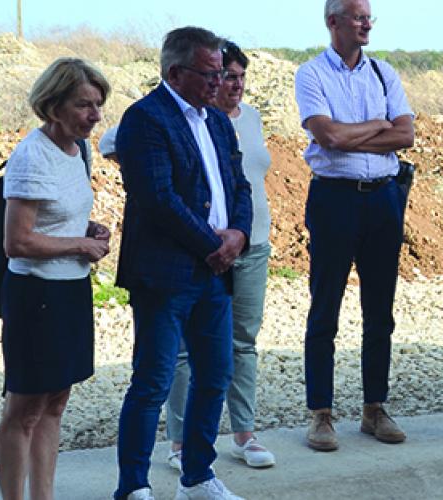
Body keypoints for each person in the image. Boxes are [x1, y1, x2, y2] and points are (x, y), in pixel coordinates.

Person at [113, 26, 252, 500]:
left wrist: (240, 234)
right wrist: (210, 245)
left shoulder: (217, 121)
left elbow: (240, 187)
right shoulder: (145, 119)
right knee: (152, 381)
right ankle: (134, 486)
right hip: (167, 273)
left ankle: (197, 476)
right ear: (175, 71)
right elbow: (157, 198)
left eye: (221, 72)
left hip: (215, 274)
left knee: (215, 376)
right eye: (209, 72)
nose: (219, 81)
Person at [294, 0, 414, 451]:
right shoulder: (311, 74)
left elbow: (405, 135)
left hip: (383, 198)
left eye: (369, 17)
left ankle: (374, 408)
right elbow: (328, 137)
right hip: (334, 198)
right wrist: (376, 125)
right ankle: (320, 414)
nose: (366, 24)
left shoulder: (383, 73)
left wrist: (356, 131)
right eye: (358, 17)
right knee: (325, 308)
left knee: (379, 310)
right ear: (333, 22)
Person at [0, 57, 111, 500]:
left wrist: (87, 228)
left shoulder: (77, 150)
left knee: (55, 404)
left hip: (71, 291)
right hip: (36, 294)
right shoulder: (32, 154)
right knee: (24, 408)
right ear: (53, 105)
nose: (95, 115)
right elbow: (17, 242)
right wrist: (80, 246)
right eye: (84, 104)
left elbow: (59, 217)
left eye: (98, 104)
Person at [165, 41, 276, 471]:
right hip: (203, 248)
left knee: (243, 341)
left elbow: (250, 180)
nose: (236, 85)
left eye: (241, 77)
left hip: (252, 243)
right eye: (228, 76)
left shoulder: (251, 119)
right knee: (185, 350)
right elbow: (115, 140)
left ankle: (243, 433)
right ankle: (179, 441)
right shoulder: (190, 118)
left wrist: (245, 233)